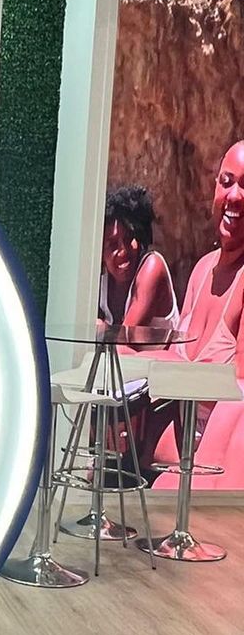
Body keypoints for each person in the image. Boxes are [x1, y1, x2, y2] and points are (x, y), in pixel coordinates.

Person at [145, 141, 244, 478]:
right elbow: (177, 359)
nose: (234, 196)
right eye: (227, 182)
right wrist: (128, 362)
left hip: (210, 470)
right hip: (169, 456)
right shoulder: (202, 269)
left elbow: (239, 394)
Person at [98, 184, 178, 331]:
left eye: (129, 238)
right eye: (113, 245)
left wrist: (101, 329)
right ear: (100, 251)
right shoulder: (100, 284)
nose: (123, 251)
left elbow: (126, 339)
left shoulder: (152, 267)